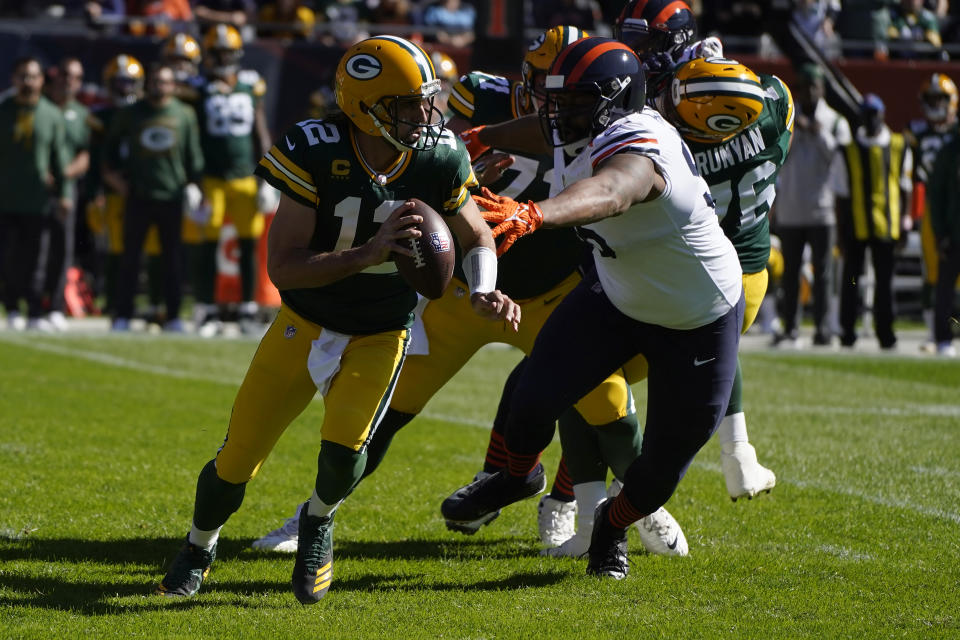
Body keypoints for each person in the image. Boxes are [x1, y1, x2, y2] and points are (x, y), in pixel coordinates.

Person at [251, 26, 687, 559]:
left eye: (563, 92)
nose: (550, 103)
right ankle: (315, 515)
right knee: (386, 410)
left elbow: (616, 187)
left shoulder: (601, 125)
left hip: (549, 293)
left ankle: (640, 502)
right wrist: (465, 174)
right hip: (457, 292)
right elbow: (418, 162)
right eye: (543, 87)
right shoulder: (480, 100)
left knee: (609, 405)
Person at [155, 35, 520, 604]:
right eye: (407, 105)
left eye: (427, 100)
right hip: (306, 321)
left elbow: (477, 235)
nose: (426, 116)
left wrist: (484, 289)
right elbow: (284, 268)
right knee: (236, 461)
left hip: (383, 328)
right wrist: (367, 254)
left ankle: (318, 524)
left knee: (347, 451)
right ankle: (199, 546)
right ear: (365, 107)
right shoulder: (315, 147)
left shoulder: (438, 154)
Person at [442, 36, 744, 579]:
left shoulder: (640, 142)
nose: (558, 111)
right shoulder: (578, 124)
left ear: (613, 100)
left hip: (695, 316)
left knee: (656, 474)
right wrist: (481, 136)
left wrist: (535, 214)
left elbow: (614, 190)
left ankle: (611, 525)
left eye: (574, 101)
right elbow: (543, 130)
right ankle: (516, 476)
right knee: (531, 399)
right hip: (618, 295)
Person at [101, 63, 204, 332]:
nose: (160, 86)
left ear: (174, 86)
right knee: (130, 258)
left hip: (171, 195)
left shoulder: (184, 114)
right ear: (147, 83)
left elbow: (193, 156)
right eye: (156, 81)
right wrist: (116, 181)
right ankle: (123, 313)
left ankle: (173, 315)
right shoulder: (131, 113)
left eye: (165, 81)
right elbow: (109, 150)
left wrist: (195, 186)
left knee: (172, 260)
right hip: (138, 194)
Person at [185, 24, 273, 336]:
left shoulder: (250, 86)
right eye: (217, 52)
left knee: (248, 244)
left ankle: (247, 309)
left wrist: (268, 177)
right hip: (211, 179)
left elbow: (260, 131)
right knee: (207, 244)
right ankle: (207, 309)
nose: (223, 57)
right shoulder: (199, 87)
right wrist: (192, 180)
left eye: (227, 51)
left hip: (245, 177)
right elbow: (191, 134)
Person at [773, 61, 851, 348]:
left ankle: (823, 328)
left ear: (822, 89)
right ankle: (790, 326)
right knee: (790, 273)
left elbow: (838, 160)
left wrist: (818, 133)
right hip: (792, 208)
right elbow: (778, 156)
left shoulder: (835, 121)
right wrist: (796, 130)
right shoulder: (787, 119)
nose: (808, 93)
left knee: (823, 274)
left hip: (823, 209)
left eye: (813, 87)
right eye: (803, 88)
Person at [86, 54, 166, 319]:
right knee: (116, 249)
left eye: (129, 82)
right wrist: (98, 189)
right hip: (115, 191)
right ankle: (113, 301)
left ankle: (155, 302)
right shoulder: (100, 116)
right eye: (119, 82)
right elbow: (97, 157)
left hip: (146, 188)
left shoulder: (145, 111)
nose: (124, 88)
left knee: (154, 248)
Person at [834, 94, 913, 350]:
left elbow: (906, 188)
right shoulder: (848, 150)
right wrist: (840, 231)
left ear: (883, 115)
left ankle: (886, 333)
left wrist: (905, 221)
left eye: (875, 114)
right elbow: (841, 195)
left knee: (884, 282)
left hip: (887, 226)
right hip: (856, 226)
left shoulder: (899, 146)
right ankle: (848, 332)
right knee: (852, 281)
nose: (871, 120)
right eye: (866, 114)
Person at [0, 57, 70, 331]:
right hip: (4, 198)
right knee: (6, 257)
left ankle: (33, 310)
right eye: (22, 76)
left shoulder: (51, 115)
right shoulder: (3, 110)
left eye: (33, 77)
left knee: (35, 258)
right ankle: (12, 307)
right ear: (13, 79)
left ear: (42, 80)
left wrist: (64, 194)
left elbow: (59, 159)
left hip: (37, 199)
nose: (28, 82)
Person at [904, 73, 959, 352]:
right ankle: (933, 331)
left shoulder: (955, 134)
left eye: (941, 98)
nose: (936, 104)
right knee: (933, 272)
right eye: (932, 99)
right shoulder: (917, 133)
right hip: (932, 207)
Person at [42, 57, 92, 332]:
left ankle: (56, 307)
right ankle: (30, 304)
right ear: (54, 75)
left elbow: (85, 153)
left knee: (63, 249)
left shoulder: (81, 113)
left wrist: (66, 174)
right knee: (30, 248)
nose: (69, 80)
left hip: (66, 190)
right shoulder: (40, 107)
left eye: (75, 76)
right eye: (64, 74)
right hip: (35, 188)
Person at [924, 125, 960, 357]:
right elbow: (936, 194)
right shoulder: (949, 152)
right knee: (944, 288)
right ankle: (943, 339)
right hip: (954, 232)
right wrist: (940, 232)